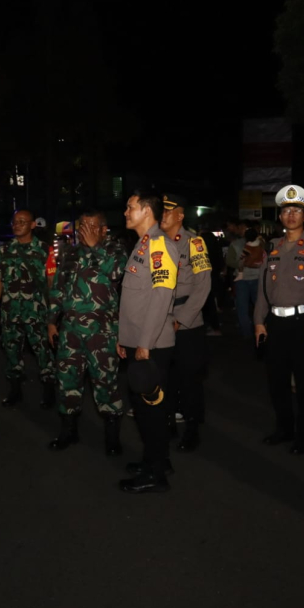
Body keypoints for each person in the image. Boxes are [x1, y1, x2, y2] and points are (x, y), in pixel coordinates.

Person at [253, 185, 304, 454]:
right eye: (286, 210)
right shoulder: (273, 247)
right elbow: (263, 289)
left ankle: (303, 435)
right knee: (276, 381)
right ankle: (284, 428)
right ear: (280, 216)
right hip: (275, 324)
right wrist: (259, 322)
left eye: (296, 211)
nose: (290, 215)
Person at [45, 211, 127, 454]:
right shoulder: (70, 254)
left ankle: (112, 439)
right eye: (82, 227)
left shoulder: (115, 250)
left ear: (103, 230)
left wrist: (94, 247)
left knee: (106, 383)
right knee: (67, 382)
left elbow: (116, 273)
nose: (85, 231)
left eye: (91, 227)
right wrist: (51, 321)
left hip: (102, 331)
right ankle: (68, 432)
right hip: (70, 330)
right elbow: (58, 287)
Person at [116, 189, 180, 494]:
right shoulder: (142, 243)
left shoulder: (159, 245)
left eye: (130, 208)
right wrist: (124, 338)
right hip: (138, 341)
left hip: (151, 344)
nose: (126, 213)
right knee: (144, 410)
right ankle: (156, 460)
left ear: (146, 212)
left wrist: (143, 343)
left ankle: (156, 475)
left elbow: (161, 296)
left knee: (151, 411)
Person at [0, 209, 55, 409]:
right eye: (15, 222)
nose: (17, 225)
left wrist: (53, 314)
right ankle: (15, 389)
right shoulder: (4, 251)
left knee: (43, 352)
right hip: (10, 312)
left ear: (33, 225)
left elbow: (51, 281)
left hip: (37, 312)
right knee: (11, 351)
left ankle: (49, 390)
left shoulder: (45, 250)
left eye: (22, 222)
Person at [161, 193, 213, 452]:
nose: (162, 215)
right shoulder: (153, 243)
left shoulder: (195, 243)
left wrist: (180, 319)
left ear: (179, 216)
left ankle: (192, 428)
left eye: (167, 211)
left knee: (189, 379)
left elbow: (203, 287)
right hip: (160, 320)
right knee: (165, 377)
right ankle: (168, 422)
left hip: (187, 322)